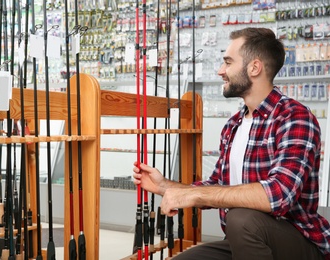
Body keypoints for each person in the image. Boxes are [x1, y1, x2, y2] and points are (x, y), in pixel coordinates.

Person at [133, 27, 330, 259]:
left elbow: (278, 195)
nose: (220, 71)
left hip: (298, 243)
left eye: (227, 62)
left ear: (254, 68)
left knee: (241, 218)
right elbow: (216, 185)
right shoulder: (233, 125)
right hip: (243, 240)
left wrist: (195, 196)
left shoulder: (295, 117)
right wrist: (165, 186)